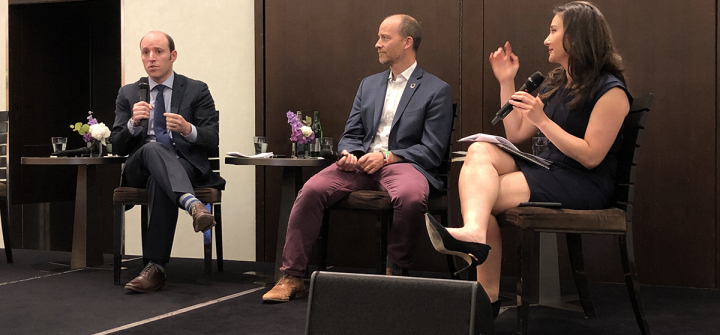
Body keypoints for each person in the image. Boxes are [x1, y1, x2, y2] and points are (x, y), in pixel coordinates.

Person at [425, 1, 632, 318]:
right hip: (552, 169)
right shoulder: (558, 81)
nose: (546, 40)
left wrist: (544, 121)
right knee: (480, 150)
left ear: (576, 37)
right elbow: (517, 131)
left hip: (584, 182)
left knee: (484, 197)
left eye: (553, 31)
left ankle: (485, 301)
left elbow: (591, 156)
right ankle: (476, 239)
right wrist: (506, 81)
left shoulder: (611, 91)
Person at [262, 14, 454, 303]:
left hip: (404, 165)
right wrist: (348, 153)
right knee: (311, 190)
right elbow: (351, 134)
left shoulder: (436, 89)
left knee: (411, 198)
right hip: (360, 166)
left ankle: (396, 273)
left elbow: (433, 149)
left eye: (384, 38)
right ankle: (292, 276)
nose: (377, 44)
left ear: (407, 42)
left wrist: (389, 157)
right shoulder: (369, 85)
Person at [111, 31, 225, 293]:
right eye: (145, 52)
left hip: (182, 165)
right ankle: (193, 205)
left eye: (158, 51)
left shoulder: (197, 89)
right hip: (139, 165)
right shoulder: (129, 93)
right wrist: (132, 124)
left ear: (173, 55)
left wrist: (188, 129)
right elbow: (117, 146)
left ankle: (155, 268)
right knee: (152, 149)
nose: (151, 58)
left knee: (159, 181)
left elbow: (212, 139)